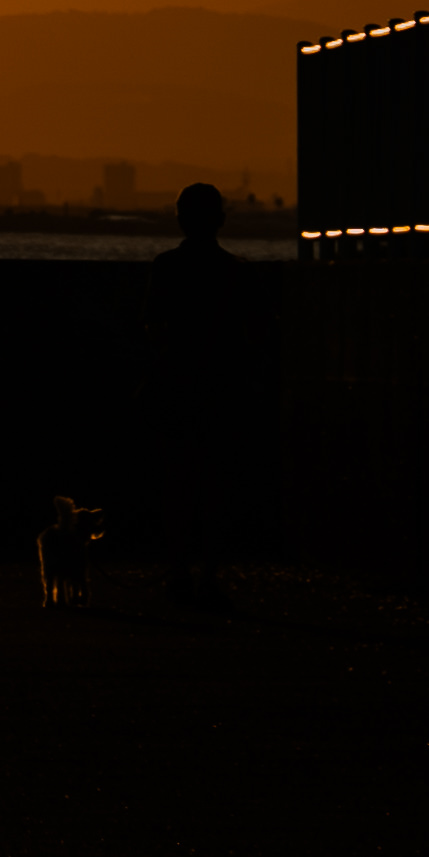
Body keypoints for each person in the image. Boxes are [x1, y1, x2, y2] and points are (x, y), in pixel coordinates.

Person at [147, 180, 262, 608]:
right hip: (223, 388)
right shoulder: (238, 272)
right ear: (221, 220)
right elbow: (252, 335)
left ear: (180, 219)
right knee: (217, 485)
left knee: (176, 483)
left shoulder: (165, 267)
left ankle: (178, 571)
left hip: (177, 384)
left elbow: (152, 326)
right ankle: (210, 575)